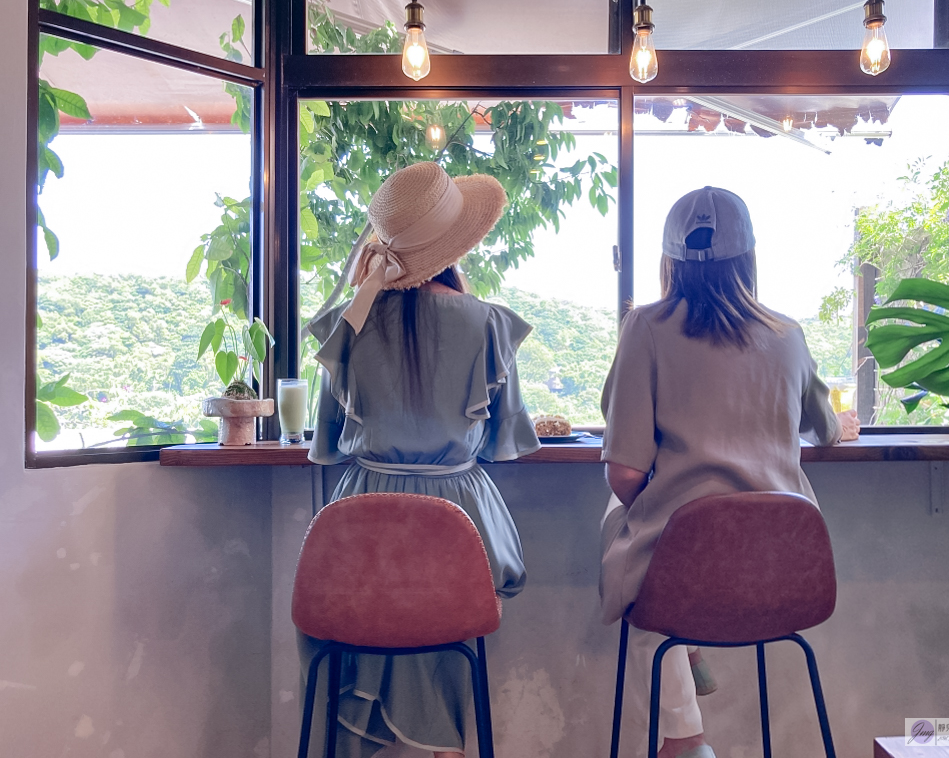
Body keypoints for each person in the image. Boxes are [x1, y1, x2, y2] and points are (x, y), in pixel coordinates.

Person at [600, 186, 860, 758]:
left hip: (684, 572)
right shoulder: (788, 334)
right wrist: (842, 420)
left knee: (628, 532)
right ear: (749, 259)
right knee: (663, 550)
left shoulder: (646, 327)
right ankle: (686, 678)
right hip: (783, 570)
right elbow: (825, 429)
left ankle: (685, 734)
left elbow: (623, 472)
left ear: (668, 261)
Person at [303, 161, 541, 758]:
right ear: (452, 251)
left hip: (362, 521)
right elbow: (502, 445)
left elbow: (327, 445)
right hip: (457, 522)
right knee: (449, 628)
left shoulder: (346, 325)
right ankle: (445, 747)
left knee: (359, 628)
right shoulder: (487, 323)